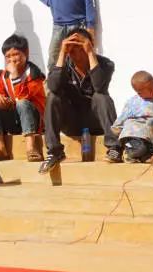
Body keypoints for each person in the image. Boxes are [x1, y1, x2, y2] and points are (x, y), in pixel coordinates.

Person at [40, 29, 118, 173]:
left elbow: (99, 87)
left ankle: (114, 147)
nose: (76, 51)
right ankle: (54, 152)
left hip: (95, 121)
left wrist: (90, 53)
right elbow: (53, 86)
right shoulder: (62, 63)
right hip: (72, 121)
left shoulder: (106, 64)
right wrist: (62, 52)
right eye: (72, 47)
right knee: (53, 96)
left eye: (80, 45)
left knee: (101, 96)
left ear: (90, 45)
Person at [0, 33, 46, 162]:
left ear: (26, 53)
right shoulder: (4, 75)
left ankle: (31, 147)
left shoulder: (34, 74)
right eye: (8, 56)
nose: (12, 59)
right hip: (15, 120)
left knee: (22, 103)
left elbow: (23, 97)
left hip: (33, 119)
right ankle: (1, 148)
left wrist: (16, 75)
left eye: (15, 54)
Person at [112, 72, 153, 164]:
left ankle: (138, 157)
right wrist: (117, 127)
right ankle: (127, 150)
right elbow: (124, 116)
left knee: (151, 151)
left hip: (148, 136)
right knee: (140, 148)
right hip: (134, 134)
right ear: (139, 93)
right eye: (150, 89)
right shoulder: (133, 102)